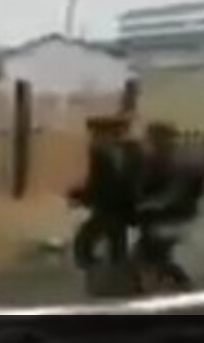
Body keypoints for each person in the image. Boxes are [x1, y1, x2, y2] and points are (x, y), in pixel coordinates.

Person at [131, 121, 204, 292]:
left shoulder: (163, 160)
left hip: (163, 216)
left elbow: (174, 190)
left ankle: (156, 287)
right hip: (176, 215)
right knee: (155, 254)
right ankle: (176, 283)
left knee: (148, 255)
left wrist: (150, 204)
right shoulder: (183, 159)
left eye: (150, 137)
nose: (148, 140)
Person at [68, 114, 138, 291]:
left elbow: (104, 185)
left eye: (96, 135)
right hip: (115, 206)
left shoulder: (114, 153)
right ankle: (118, 276)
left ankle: (111, 277)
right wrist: (80, 195)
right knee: (112, 240)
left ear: (107, 135)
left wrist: (80, 197)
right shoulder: (116, 151)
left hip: (118, 206)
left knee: (85, 242)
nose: (93, 139)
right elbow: (97, 184)